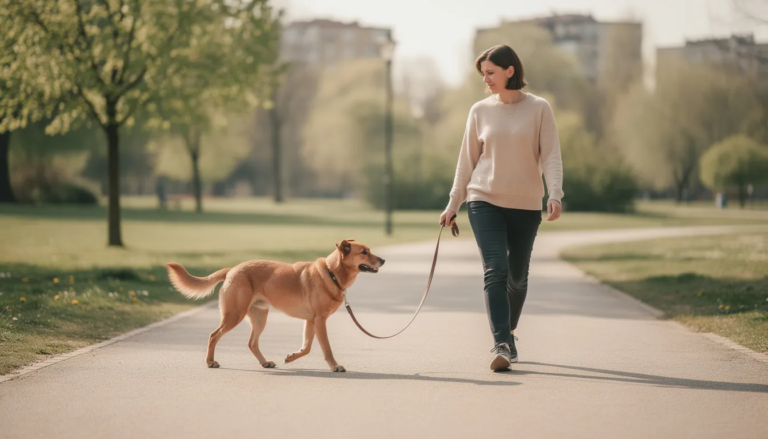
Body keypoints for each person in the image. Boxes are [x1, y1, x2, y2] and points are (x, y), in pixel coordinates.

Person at [439, 44, 564, 372]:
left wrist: (555, 193)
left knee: (518, 278)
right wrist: (453, 203)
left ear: (510, 70)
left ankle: (508, 331)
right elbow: (466, 162)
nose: (486, 80)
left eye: (491, 73)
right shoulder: (479, 111)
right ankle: (502, 344)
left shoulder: (539, 108)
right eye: (483, 74)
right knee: (495, 269)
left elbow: (551, 155)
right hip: (484, 200)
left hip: (525, 204)